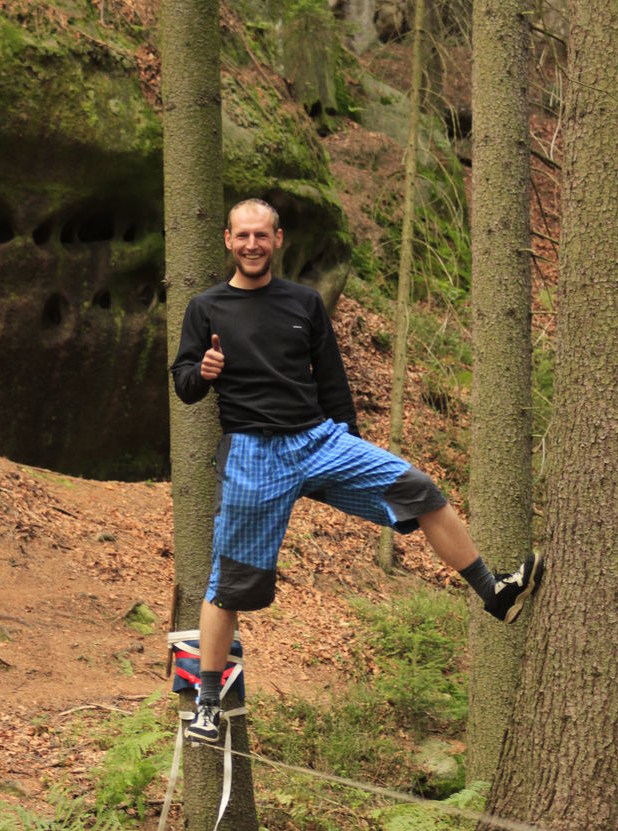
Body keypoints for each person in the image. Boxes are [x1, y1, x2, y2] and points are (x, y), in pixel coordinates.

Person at [171, 198, 543, 745]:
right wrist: (202, 371)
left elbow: (332, 376)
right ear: (227, 240)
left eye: (262, 235)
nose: (252, 245)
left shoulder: (303, 302)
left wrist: (345, 440)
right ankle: (206, 705)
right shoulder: (207, 307)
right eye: (243, 236)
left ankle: (494, 593)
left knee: (419, 489)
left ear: (278, 240)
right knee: (229, 586)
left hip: (318, 439)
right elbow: (183, 384)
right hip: (252, 454)